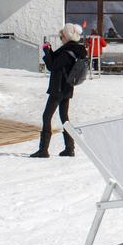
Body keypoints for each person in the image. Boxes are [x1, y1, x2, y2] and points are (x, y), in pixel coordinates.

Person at [31, 24, 87, 158]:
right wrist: (50, 51)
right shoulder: (76, 50)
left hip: (59, 88)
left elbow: (52, 65)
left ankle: (43, 150)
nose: (61, 38)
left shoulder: (68, 51)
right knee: (64, 118)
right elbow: (57, 62)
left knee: (46, 116)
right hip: (67, 88)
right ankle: (69, 148)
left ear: (67, 36)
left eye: (62, 35)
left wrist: (46, 52)